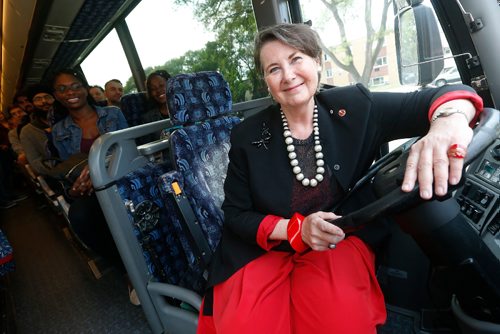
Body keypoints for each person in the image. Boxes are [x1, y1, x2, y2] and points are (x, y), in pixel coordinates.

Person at [196, 23, 483, 334]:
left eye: (296, 59)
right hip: (264, 247)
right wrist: (297, 230)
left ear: (318, 61)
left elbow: (449, 96)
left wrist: (446, 125)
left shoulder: (357, 107)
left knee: (340, 321)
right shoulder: (246, 135)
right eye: (274, 68)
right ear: (267, 81)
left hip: (337, 237)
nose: (288, 75)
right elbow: (237, 216)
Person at [50, 69, 139, 304]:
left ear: (85, 88)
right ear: (56, 96)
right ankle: (129, 271)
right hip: (92, 189)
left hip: (122, 176)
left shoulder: (112, 113)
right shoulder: (59, 131)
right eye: (62, 88)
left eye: (75, 85)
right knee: (81, 216)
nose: (70, 92)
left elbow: (129, 146)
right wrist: (75, 189)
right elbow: (71, 169)